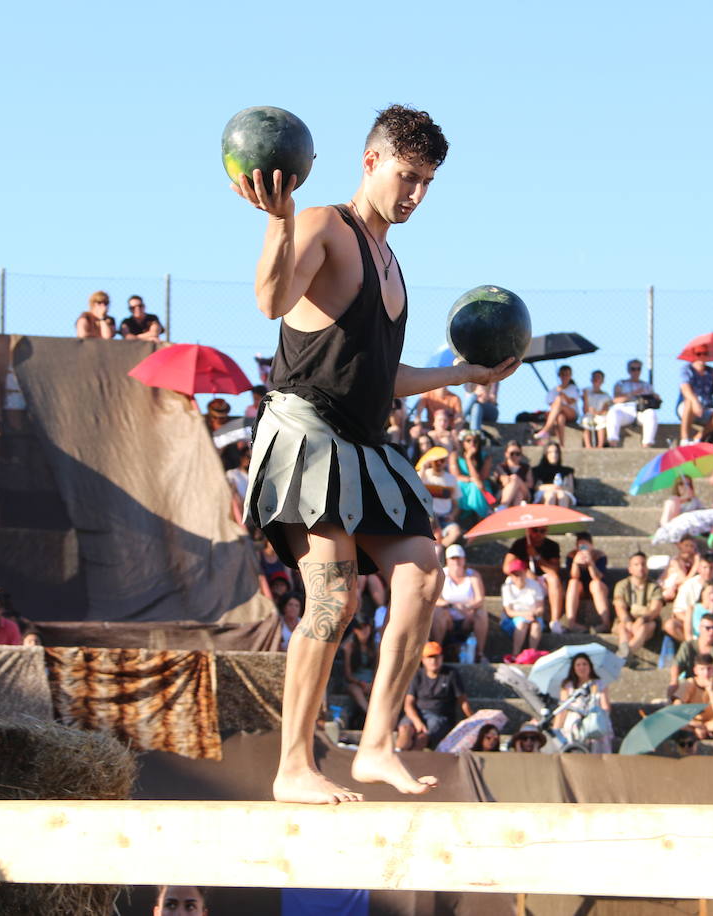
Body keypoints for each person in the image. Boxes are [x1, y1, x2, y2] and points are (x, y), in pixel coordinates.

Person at [234, 105, 517, 802]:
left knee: (422, 571)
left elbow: (382, 378)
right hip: (307, 433)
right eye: (407, 175)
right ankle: (293, 767)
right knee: (331, 596)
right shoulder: (324, 225)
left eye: (427, 182)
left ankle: (378, 744)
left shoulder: (392, 263)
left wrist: (463, 375)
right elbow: (271, 299)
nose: (416, 193)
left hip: (363, 442)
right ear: (371, 162)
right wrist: (278, 220)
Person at [397, 642, 471, 751]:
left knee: (422, 737)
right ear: (423, 660)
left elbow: (463, 701)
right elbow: (408, 704)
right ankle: (397, 754)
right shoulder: (417, 675)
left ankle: (412, 763)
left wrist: (473, 719)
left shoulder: (451, 674)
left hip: (439, 717)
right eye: (429, 657)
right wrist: (417, 722)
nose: (433, 661)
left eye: (436, 657)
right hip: (417, 713)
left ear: (441, 657)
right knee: (405, 730)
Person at [430, 545, 486, 662]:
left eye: (458, 558)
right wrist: (452, 606)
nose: (456, 561)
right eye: (453, 558)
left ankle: (479, 653)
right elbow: (434, 599)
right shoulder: (441, 574)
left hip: (468, 616)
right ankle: (437, 651)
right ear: (447, 560)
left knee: (481, 614)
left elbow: (480, 599)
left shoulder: (473, 575)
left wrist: (468, 610)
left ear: (464, 559)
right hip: (448, 616)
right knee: (438, 613)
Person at [505, 526, 563, 631]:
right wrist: (525, 571)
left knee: (553, 579)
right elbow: (506, 567)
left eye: (542, 531)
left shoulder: (552, 545)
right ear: (528, 530)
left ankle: (555, 622)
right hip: (525, 580)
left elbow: (554, 571)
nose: (538, 534)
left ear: (547, 531)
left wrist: (536, 556)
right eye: (535, 530)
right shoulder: (520, 544)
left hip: (544, 581)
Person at [553, 654, 613, 753]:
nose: (582, 667)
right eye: (578, 665)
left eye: (584, 664)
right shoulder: (567, 686)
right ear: (574, 668)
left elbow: (605, 706)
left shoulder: (599, 684)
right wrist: (556, 728)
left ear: (590, 666)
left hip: (594, 719)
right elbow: (562, 709)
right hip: (574, 721)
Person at [613, 551, 664, 657]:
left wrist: (641, 620)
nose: (640, 568)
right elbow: (619, 607)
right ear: (630, 569)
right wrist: (628, 622)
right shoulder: (622, 585)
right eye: (636, 565)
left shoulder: (654, 587)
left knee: (644, 628)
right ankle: (625, 651)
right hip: (626, 620)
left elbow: (655, 610)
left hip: (647, 622)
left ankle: (625, 654)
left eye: (643, 564)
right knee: (622, 627)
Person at [563, 531, 610, 633]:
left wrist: (591, 563)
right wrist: (575, 563)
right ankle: (571, 623)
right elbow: (573, 576)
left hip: (597, 588)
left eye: (585, 546)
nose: (582, 549)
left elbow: (597, 577)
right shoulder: (572, 556)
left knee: (595, 584)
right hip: (581, 590)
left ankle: (606, 623)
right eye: (580, 546)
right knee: (573, 583)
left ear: (591, 546)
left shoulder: (599, 556)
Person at [671, 612, 713, 688]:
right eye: (708, 628)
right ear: (699, 628)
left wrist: (708, 685)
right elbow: (677, 664)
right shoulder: (688, 646)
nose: (711, 632)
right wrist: (674, 680)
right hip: (691, 683)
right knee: (673, 686)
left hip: (712, 685)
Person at [605, 358, 658, 448]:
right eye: (633, 369)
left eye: (638, 369)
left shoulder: (646, 385)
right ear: (628, 370)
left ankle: (647, 444)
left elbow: (655, 398)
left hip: (641, 410)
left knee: (651, 413)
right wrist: (633, 394)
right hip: (625, 409)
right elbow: (616, 400)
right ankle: (612, 442)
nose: (636, 371)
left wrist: (653, 397)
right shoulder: (621, 383)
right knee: (613, 412)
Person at [677, 345, 713, 444]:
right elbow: (685, 388)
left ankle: (698, 437)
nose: (702, 356)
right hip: (687, 408)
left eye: (705, 354)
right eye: (699, 354)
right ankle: (684, 439)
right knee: (689, 401)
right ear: (694, 355)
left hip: (706, 409)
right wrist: (695, 402)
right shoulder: (687, 370)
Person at [416, 447, 461, 547]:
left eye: (442, 460)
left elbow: (456, 504)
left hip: (445, 516)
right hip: (428, 517)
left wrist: (452, 515)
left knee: (455, 531)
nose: (440, 463)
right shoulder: (424, 475)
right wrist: (423, 467)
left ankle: (440, 550)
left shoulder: (451, 479)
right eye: (436, 461)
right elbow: (415, 487)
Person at [499, 558, 545, 657]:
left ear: (525, 572)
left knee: (536, 625)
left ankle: (532, 653)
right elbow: (509, 612)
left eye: (520, 573)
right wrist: (525, 615)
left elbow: (540, 607)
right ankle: (515, 654)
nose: (518, 577)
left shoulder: (534, 585)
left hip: (533, 616)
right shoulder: (507, 587)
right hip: (514, 618)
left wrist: (534, 614)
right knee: (521, 624)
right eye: (515, 574)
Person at [339, 614, 378, 729]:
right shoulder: (349, 647)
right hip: (355, 682)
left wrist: (372, 684)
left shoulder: (375, 648)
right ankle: (371, 715)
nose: (364, 631)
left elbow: (377, 670)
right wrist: (360, 683)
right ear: (355, 630)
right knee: (355, 690)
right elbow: (348, 673)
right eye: (361, 628)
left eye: (367, 627)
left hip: (371, 682)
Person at [535, 364, 580, 445]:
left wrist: (562, 395)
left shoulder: (573, 388)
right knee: (560, 418)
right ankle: (561, 444)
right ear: (559, 375)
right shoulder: (553, 390)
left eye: (567, 374)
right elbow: (552, 406)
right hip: (560, 414)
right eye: (563, 374)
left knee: (559, 399)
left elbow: (571, 402)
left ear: (570, 376)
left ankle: (546, 429)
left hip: (572, 414)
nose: (565, 377)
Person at [532, 440, 576, 507]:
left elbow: (571, 489)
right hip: (545, 492)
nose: (554, 455)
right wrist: (553, 487)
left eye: (556, 452)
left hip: (563, 492)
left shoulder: (567, 471)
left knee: (562, 495)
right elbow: (537, 487)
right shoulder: (538, 470)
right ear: (545, 454)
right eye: (550, 452)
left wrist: (559, 488)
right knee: (551, 495)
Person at [491, 440, 534, 508]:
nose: (514, 456)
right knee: (518, 494)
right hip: (504, 494)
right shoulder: (501, 467)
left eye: (517, 453)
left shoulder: (526, 467)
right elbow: (504, 481)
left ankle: (503, 507)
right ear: (506, 454)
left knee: (515, 479)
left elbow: (530, 484)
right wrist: (515, 482)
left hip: (525, 493)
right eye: (512, 453)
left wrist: (517, 481)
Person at [579, 369, 611, 449]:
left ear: (602, 381)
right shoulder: (587, 393)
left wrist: (596, 412)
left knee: (601, 421)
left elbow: (605, 410)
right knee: (585, 421)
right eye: (594, 377)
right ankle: (588, 446)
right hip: (588, 415)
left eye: (598, 377)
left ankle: (600, 445)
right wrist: (585, 396)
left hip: (599, 415)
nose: (596, 379)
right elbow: (585, 410)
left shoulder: (606, 395)